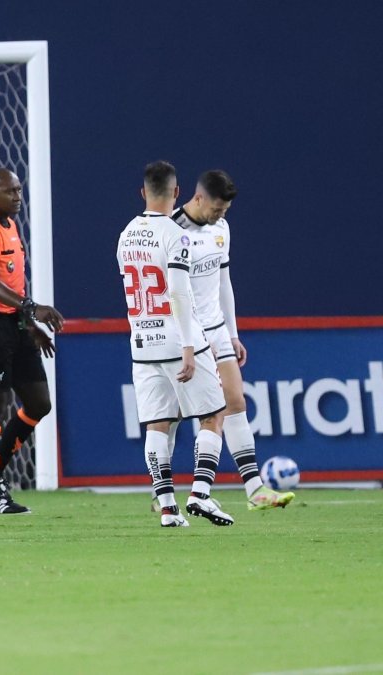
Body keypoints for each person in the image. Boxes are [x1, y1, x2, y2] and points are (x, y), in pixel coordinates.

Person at [117, 161, 233, 527]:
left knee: (157, 426)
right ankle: (200, 494)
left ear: (143, 193)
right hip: (178, 339)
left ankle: (167, 508)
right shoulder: (175, 234)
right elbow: (179, 293)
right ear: (177, 193)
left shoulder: (125, 234)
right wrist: (187, 345)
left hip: (142, 343)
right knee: (214, 414)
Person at [170, 171, 294, 510]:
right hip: (186, 332)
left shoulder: (220, 229)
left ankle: (255, 489)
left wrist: (232, 333)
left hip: (217, 328)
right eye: (216, 209)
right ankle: (163, 492)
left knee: (235, 400)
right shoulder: (172, 230)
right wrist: (188, 339)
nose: (219, 216)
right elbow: (172, 292)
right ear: (198, 198)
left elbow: (224, 282)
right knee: (173, 413)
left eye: (224, 210)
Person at [0, 168, 63, 515]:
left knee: (39, 402)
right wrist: (32, 308)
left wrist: (28, 322)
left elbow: (13, 286)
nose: (18, 197)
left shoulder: (10, 226)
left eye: (19, 190)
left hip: (15, 324)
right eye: (10, 191)